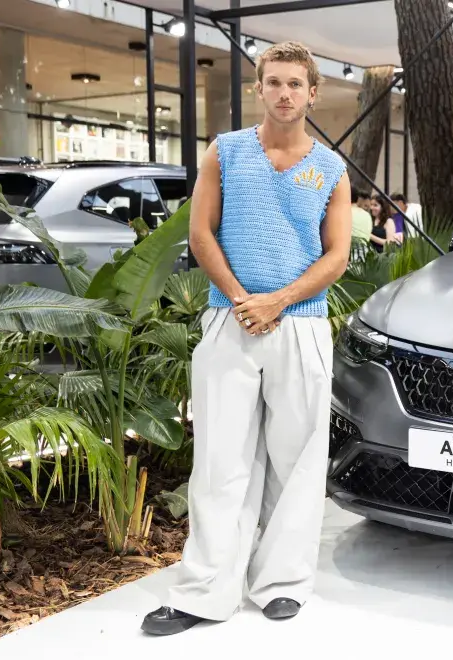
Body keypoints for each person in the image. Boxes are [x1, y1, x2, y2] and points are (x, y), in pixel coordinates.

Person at [141, 41, 352, 636]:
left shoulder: (330, 169)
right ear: (259, 89)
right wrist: (242, 299)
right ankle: (204, 590)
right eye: (274, 82)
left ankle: (282, 583)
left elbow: (337, 255)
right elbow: (200, 234)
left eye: (295, 83)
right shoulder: (226, 151)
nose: (284, 93)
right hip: (228, 320)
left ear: (313, 94)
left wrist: (278, 301)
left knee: (297, 459)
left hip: (301, 325)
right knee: (218, 461)